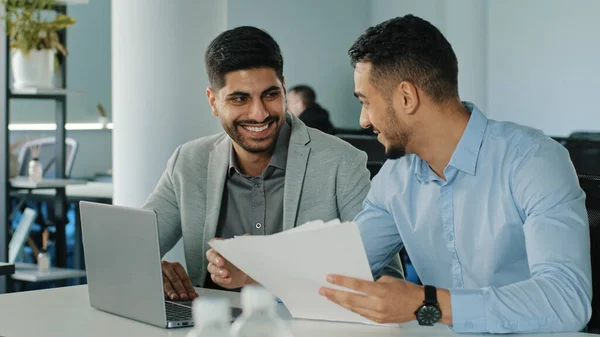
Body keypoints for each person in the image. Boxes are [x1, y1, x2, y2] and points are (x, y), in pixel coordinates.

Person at [319, 15, 592, 334]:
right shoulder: (396, 177)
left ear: (407, 97)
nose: (364, 120)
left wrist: (429, 304)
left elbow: (567, 300)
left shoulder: (532, 160)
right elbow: (341, 270)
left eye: (366, 102)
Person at [143, 26, 394, 301]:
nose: (259, 113)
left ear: (284, 89)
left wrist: (264, 273)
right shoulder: (189, 161)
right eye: (240, 98)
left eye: (270, 94)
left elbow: (385, 280)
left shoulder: (341, 162)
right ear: (213, 102)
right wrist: (150, 271)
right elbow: (131, 249)